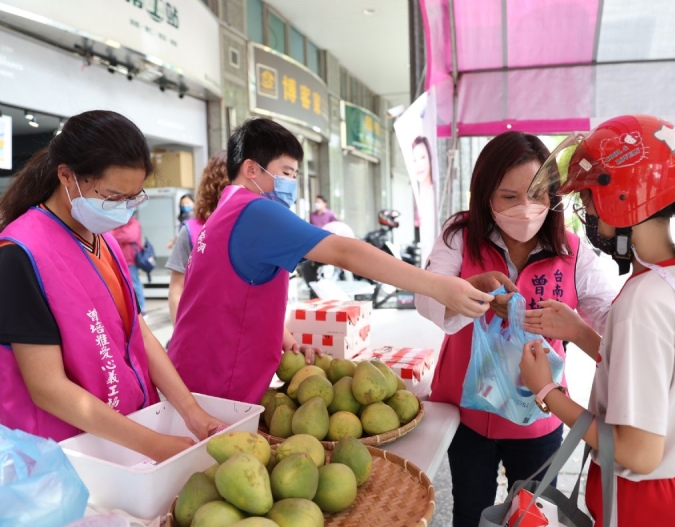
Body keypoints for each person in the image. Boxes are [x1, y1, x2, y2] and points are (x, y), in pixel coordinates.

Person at [168, 117, 494, 406]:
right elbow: (344, 252)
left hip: (191, 369)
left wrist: (288, 342)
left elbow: (236, 298)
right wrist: (437, 286)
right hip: (218, 382)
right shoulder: (257, 211)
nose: (291, 183)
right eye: (285, 172)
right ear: (251, 168)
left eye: (295, 174)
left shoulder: (224, 210)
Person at [519, 115, 675, 527]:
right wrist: (579, 332)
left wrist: (546, 390)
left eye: (590, 199)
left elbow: (638, 451)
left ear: (622, 197)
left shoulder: (643, 302)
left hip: (648, 505)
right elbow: (655, 374)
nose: (586, 212)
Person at [415, 131, 617, 527]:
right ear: (486, 195)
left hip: (539, 414)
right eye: (509, 196)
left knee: (533, 517)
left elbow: (611, 320)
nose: (525, 208)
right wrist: (474, 294)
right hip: (468, 413)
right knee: (471, 512)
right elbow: (427, 297)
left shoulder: (572, 252)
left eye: (538, 194)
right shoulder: (459, 236)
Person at [0, 110, 224, 462]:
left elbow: (138, 333)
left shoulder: (103, 240)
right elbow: (47, 387)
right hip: (67, 452)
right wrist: (154, 445)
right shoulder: (19, 254)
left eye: (133, 198)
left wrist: (191, 412)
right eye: (114, 196)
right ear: (66, 176)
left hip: (125, 432)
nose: (124, 210)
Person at [166, 151, 228, 325]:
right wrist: (180, 334)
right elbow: (176, 290)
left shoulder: (255, 228)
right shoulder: (193, 230)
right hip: (201, 329)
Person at [110, 215, 147, 314]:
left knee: (135, 284)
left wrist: (115, 234)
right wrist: (119, 233)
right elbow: (107, 234)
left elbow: (130, 236)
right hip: (117, 259)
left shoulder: (134, 222)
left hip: (131, 261)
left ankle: (142, 309)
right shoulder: (115, 222)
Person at [411, 136, 437, 257]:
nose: (419, 164)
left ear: (430, 158)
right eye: (414, 160)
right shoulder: (415, 195)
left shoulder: (434, 194)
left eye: (422, 157)